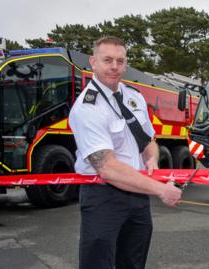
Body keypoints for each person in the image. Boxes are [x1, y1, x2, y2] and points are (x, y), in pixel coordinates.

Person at [69, 36, 182, 269]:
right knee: (97, 263)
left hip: (137, 195)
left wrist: (152, 158)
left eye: (120, 61)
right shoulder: (87, 108)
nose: (114, 66)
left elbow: (148, 139)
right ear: (93, 61)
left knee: (133, 262)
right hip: (104, 198)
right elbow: (107, 168)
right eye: (107, 60)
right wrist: (161, 189)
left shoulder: (134, 96)